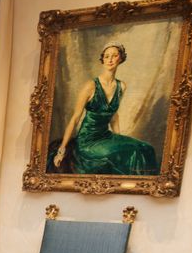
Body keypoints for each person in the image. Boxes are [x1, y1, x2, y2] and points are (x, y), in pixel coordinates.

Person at [50, 42, 158, 175]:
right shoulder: (90, 86)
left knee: (146, 148)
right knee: (129, 152)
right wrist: (61, 150)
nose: (110, 59)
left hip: (106, 136)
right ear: (102, 60)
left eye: (114, 56)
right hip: (87, 141)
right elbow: (75, 119)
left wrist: (119, 139)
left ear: (121, 58)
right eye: (106, 56)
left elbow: (114, 115)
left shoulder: (121, 86)